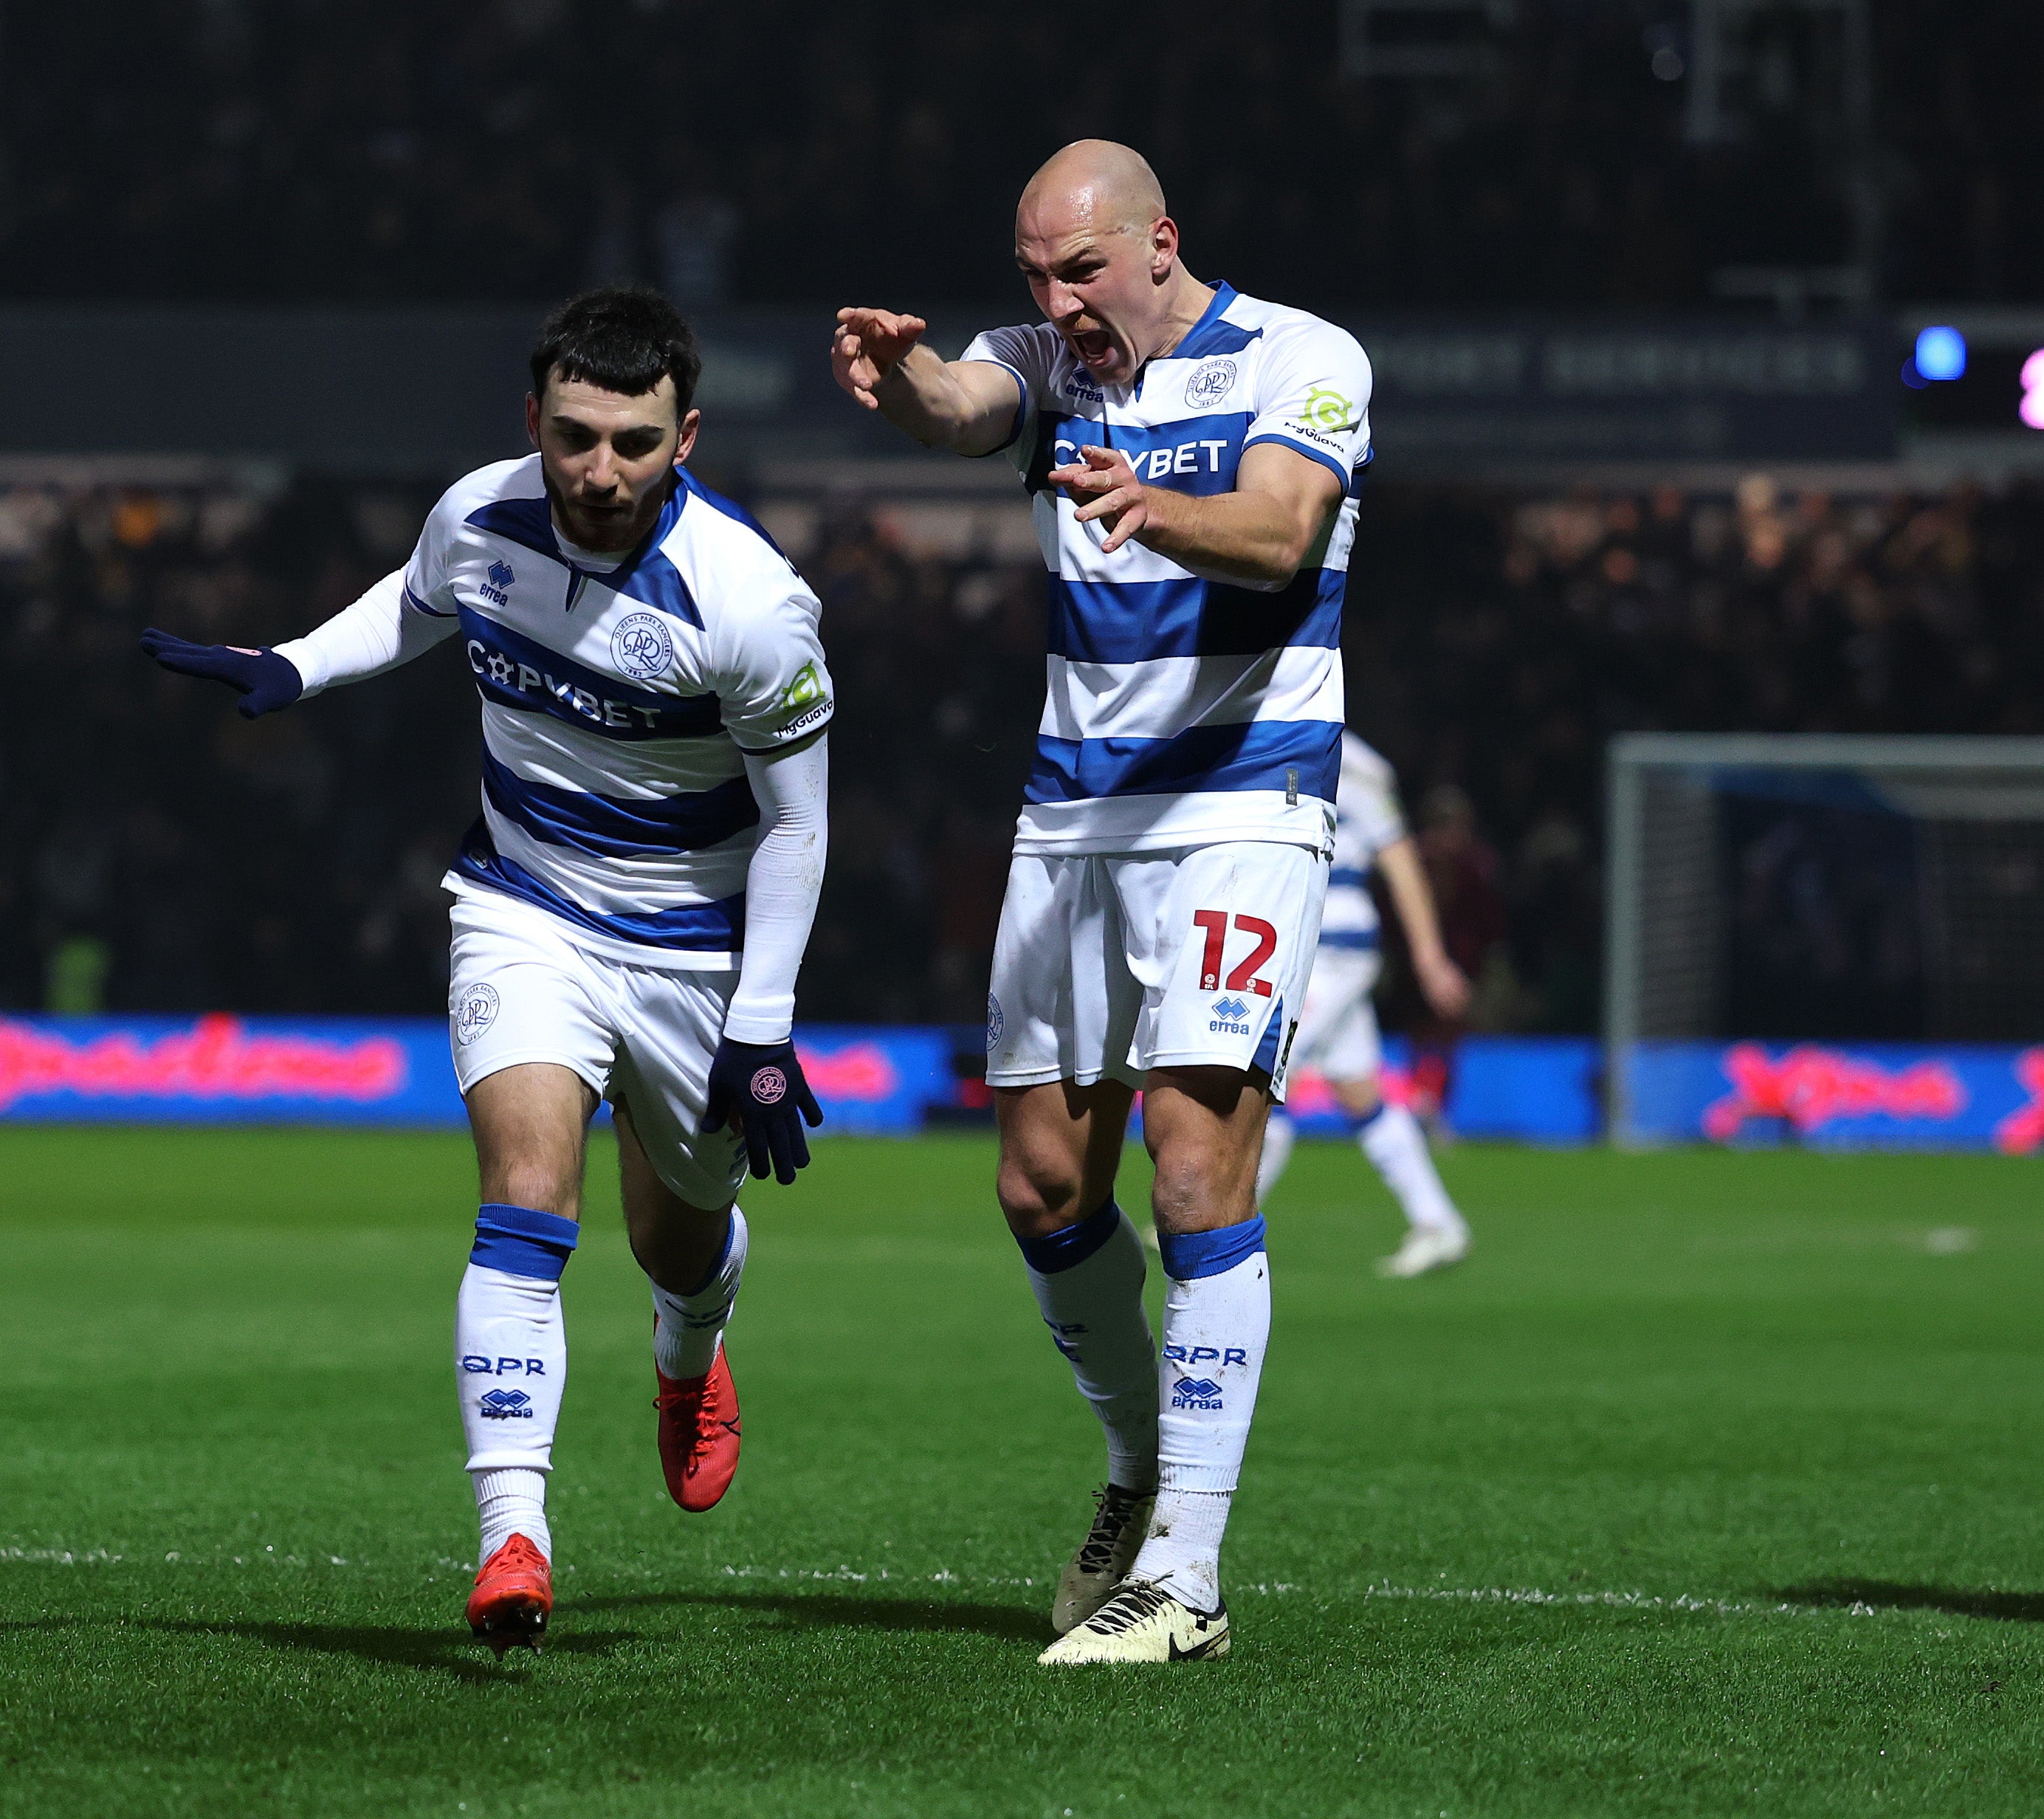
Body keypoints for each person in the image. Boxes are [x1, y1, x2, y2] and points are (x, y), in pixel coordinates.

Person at [142, 289, 833, 1652]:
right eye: (573, 436)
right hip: (524, 906)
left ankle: (688, 1344)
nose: (600, 470)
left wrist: (760, 1024)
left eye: (634, 443)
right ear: (533, 419)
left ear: (687, 436)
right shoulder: (478, 513)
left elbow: (800, 824)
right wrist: (295, 665)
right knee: (524, 1196)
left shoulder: (752, 604)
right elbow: (414, 606)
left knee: (677, 1235)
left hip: (692, 947)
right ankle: (513, 1534)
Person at [831, 140, 1369, 1664]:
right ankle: (1138, 1468)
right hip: (1075, 816)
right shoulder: (1045, 364)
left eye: (1080, 270)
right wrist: (904, 368)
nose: (1059, 301)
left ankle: (1187, 1576)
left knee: (1192, 1167)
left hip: (1242, 804)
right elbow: (961, 409)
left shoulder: (1302, 356)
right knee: (1041, 1188)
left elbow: (1284, 529)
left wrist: (1156, 504)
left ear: (1158, 243)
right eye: (1033, 275)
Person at [1253, 732, 1474, 1275]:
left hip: (1329, 951)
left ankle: (1213, 1217)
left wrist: (1429, 959)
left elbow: (1399, 858)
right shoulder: (1284, 738)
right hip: (1304, 947)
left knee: (1262, 1078)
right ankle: (1438, 1223)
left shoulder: (1341, 758)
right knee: (1360, 1094)